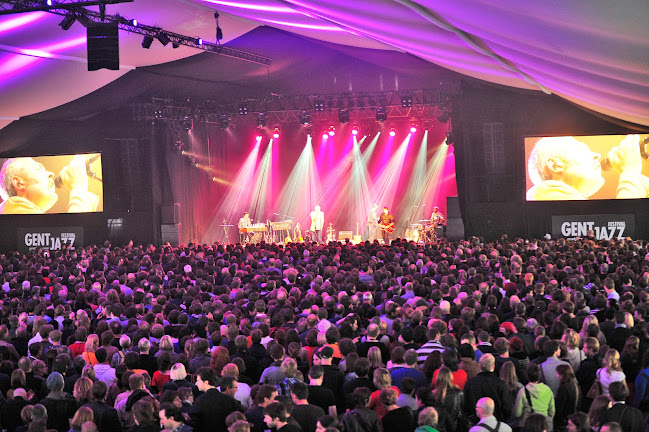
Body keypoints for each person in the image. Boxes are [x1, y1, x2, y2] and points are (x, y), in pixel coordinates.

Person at [0, 155, 99, 214]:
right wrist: (78, 187)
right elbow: (70, 238)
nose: (51, 174)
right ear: (19, 183)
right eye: (38, 168)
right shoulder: (12, 208)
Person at [191, 367, 243, 432]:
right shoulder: (229, 400)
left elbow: (195, 424)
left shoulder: (199, 401)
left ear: (206, 382)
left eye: (198, 380)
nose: (196, 383)